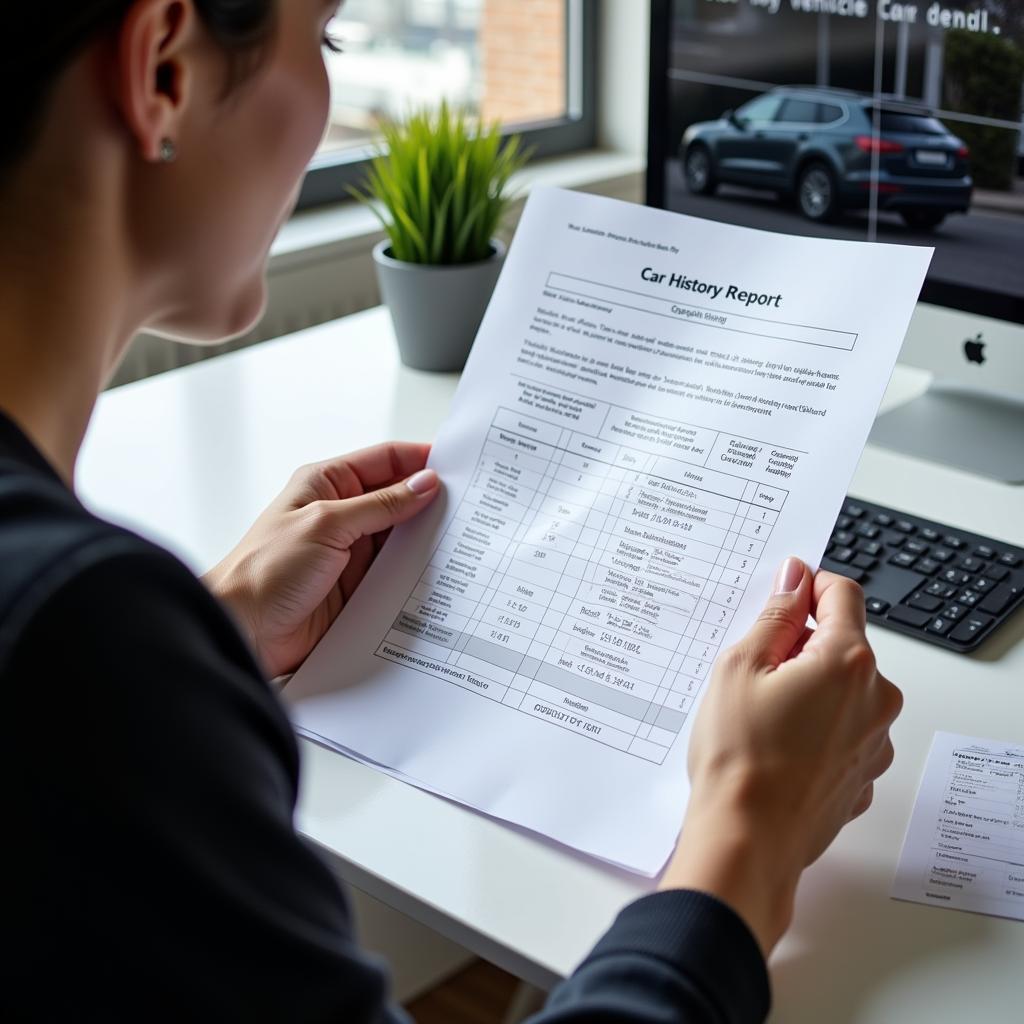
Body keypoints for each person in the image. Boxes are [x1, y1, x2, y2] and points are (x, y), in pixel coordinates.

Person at [0, 2, 902, 1019]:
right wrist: (749, 831)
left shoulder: (72, 627)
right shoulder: (72, 638)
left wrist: (216, 628)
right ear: (164, 68)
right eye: (327, 37)